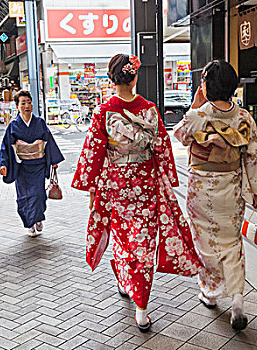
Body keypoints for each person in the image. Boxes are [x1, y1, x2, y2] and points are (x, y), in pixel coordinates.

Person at [72, 54, 202, 332]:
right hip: (145, 185)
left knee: (123, 240)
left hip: (116, 186)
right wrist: (167, 178)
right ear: (134, 77)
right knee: (143, 244)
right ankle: (141, 308)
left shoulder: (103, 112)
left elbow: (93, 154)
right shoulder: (150, 110)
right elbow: (162, 149)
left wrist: (92, 187)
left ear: (111, 79)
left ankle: (126, 282)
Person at [173, 60, 257, 331]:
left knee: (205, 242)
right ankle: (237, 297)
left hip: (202, 189)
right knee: (232, 242)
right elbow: (253, 156)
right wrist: (256, 191)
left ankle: (210, 293)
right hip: (232, 186)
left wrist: (195, 103)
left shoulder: (198, 115)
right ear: (233, 86)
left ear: (205, 85)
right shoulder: (244, 118)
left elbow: (179, 135)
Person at [0, 90, 64, 237]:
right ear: (17, 106)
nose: (27, 105)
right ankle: (29, 223)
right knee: (24, 197)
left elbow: (49, 141)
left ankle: (38, 218)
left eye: (29, 102)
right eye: (23, 103)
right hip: (21, 167)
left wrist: (53, 160)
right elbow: (6, 147)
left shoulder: (39, 122)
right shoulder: (13, 125)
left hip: (38, 165)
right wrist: (3, 164)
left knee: (39, 195)